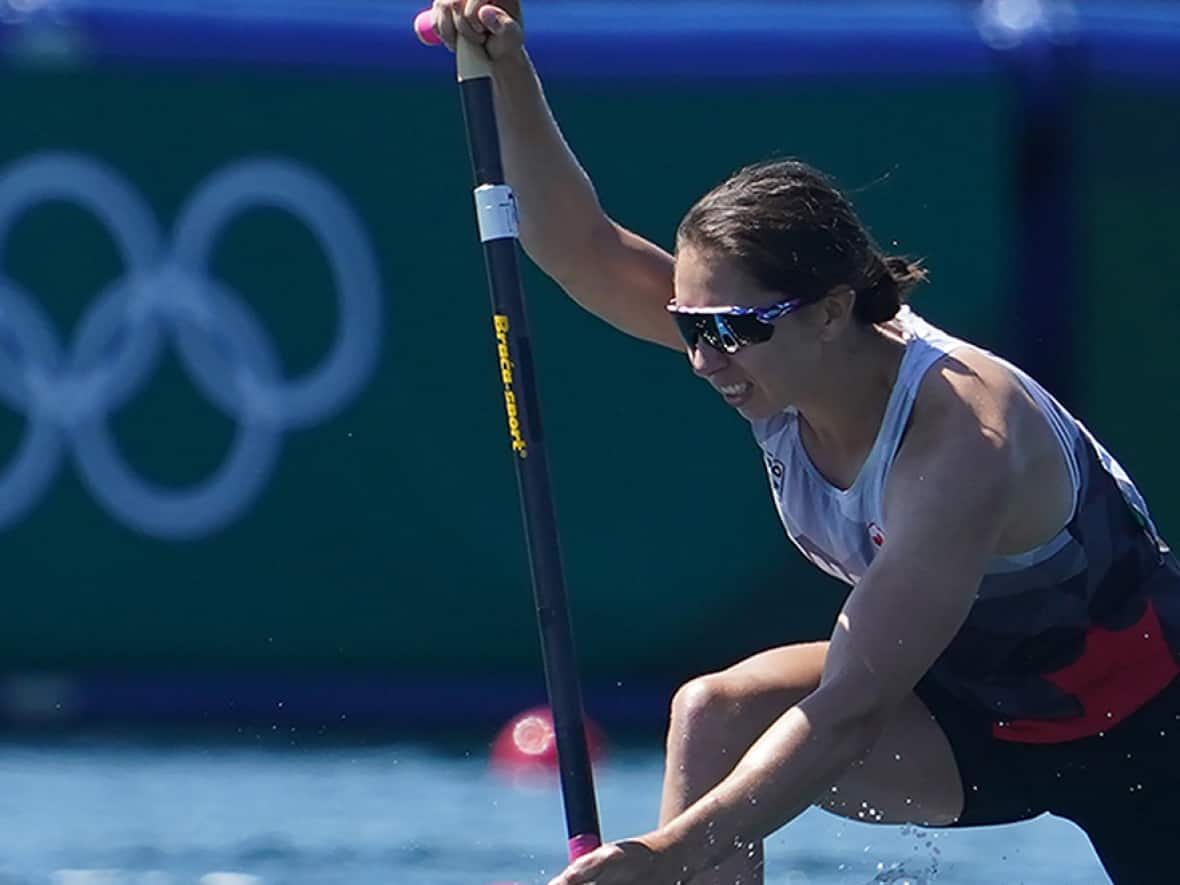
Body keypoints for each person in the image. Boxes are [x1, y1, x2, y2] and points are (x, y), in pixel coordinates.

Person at [427, 3, 1180, 883]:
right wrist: (505, 66)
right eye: (692, 325)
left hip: (1151, 737)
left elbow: (854, 706)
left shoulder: (962, 435)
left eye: (734, 327)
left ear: (830, 310)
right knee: (713, 713)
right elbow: (581, 250)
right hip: (975, 719)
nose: (706, 359)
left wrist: (663, 853)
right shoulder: (775, 360)